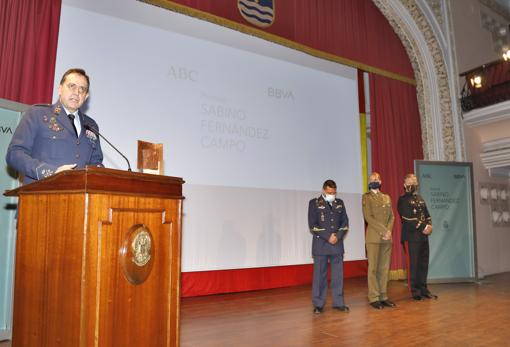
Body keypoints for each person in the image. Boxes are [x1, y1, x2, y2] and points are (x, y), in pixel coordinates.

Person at [6, 68, 103, 184]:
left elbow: (96, 162)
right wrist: (51, 172)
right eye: (72, 86)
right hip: (41, 194)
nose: (77, 92)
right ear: (60, 89)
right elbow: (15, 154)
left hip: (78, 197)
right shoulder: (37, 114)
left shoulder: (91, 125)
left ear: (86, 96)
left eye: (82, 89)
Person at [308, 179, 350, 314]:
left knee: (338, 275)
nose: (332, 194)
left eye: (334, 192)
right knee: (320, 275)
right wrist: (328, 236)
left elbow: (345, 223)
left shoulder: (340, 203)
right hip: (321, 244)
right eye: (329, 192)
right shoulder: (314, 203)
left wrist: (337, 236)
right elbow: (313, 225)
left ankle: (338, 302)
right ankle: (318, 304)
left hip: (337, 244)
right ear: (323, 191)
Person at [397, 173, 438, 301]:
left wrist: (429, 225)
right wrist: (424, 227)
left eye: (414, 181)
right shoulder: (402, 200)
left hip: (423, 237)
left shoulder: (420, 198)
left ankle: (424, 289)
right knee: (414, 264)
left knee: (423, 264)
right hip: (411, 237)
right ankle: (415, 291)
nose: (413, 184)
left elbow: (427, 215)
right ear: (404, 185)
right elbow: (408, 218)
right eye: (410, 181)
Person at [362, 172, 396, 309]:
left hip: (386, 238)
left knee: (384, 268)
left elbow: (392, 217)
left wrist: (388, 232)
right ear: (369, 182)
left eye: (376, 179)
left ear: (381, 182)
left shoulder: (386, 197)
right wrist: (384, 231)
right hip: (374, 238)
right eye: (372, 179)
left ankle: (383, 295)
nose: (374, 181)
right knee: (373, 269)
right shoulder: (366, 197)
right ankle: (374, 297)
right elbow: (368, 217)